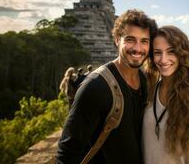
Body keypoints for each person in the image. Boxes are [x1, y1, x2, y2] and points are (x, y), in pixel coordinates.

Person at [57, 9, 157, 164]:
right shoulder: (96, 86)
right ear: (117, 39)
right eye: (130, 40)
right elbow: (67, 154)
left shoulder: (145, 80)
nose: (138, 48)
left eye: (144, 41)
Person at [144, 26, 189, 164]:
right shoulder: (149, 89)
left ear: (182, 54)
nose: (163, 59)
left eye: (171, 51)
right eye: (157, 52)